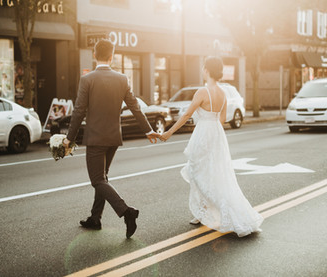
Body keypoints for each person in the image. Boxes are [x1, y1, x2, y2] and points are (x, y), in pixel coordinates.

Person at [63, 39, 160, 239]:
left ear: (94, 55)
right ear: (111, 56)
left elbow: (79, 111)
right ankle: (95, 218)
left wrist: (68, 139)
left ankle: (126, 211)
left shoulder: (87, 79)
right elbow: (135, 106)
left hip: (96, 139)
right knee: (103, 178)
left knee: (97, 180)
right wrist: (147, 130)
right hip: (114, 138)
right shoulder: (122, 79)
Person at [160, 56, 263, 237]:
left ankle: (206, 211)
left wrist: (169, 132)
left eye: (203, 68)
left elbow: (186, 116)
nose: (202, 70)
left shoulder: (202, 92)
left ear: (207, 70)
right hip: (216, 133)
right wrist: (210, 120)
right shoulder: (223, 93)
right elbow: (222, 119)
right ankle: (202, 212)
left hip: (204, 134)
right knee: (213, 172)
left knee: (197, 171)